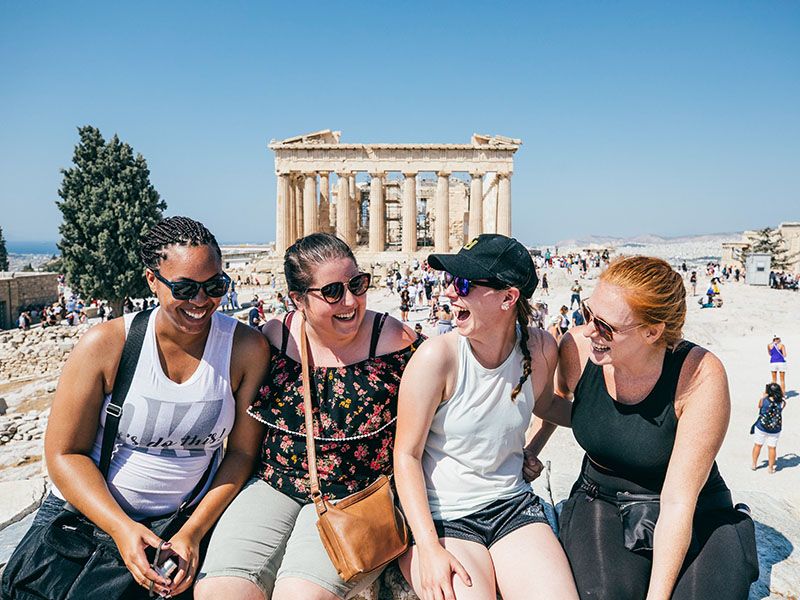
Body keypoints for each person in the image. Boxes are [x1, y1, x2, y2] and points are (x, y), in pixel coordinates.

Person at [2, 216, 269, 599]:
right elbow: (64, 453)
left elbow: (241, 452)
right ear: (151, 281)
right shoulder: (106, 345)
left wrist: (191, 533)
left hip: (178, 529)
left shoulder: (245, 348)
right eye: (184, 288)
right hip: (89, 525)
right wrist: (122, 529)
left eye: (214, 286)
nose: (201, 301)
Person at [196, 233, 420, 600]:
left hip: (357, 496)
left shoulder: (397, 342)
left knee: (299, 595)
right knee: (219, 591)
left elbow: (443, 415)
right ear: (297, 299)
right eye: (332, 292)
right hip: (274, 485)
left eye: (357, 285)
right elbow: (245, 436)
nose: (350, 301)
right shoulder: (274, 338)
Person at [544, 255, 758, 599]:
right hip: (603, 499)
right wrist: (529, 452)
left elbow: (678, 502)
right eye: (588, 313)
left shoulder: (699, 375)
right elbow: (555, 402)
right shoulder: (578, 349)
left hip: (692, 506)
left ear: (653, 331)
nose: (588, 330)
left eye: (606, 326)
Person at [394, 234, 578, 600]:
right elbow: (406, 455)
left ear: (509, 298)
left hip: (512, 506)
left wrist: (534, 447)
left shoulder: (540, 348)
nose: (449, 293)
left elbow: (546, 407)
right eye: (450, 282)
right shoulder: (438, 358)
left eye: (462, 284)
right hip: (444, 516)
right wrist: (429, 550)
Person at [751, 383, 786, 474]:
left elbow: (759, 406)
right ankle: (770, 468)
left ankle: (754, 464)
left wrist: (763, 397)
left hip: (761, 426)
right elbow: (782, 405)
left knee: (758, 445)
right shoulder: (782, 403)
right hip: (775, 429)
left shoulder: (763, 401)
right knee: (772, 448)